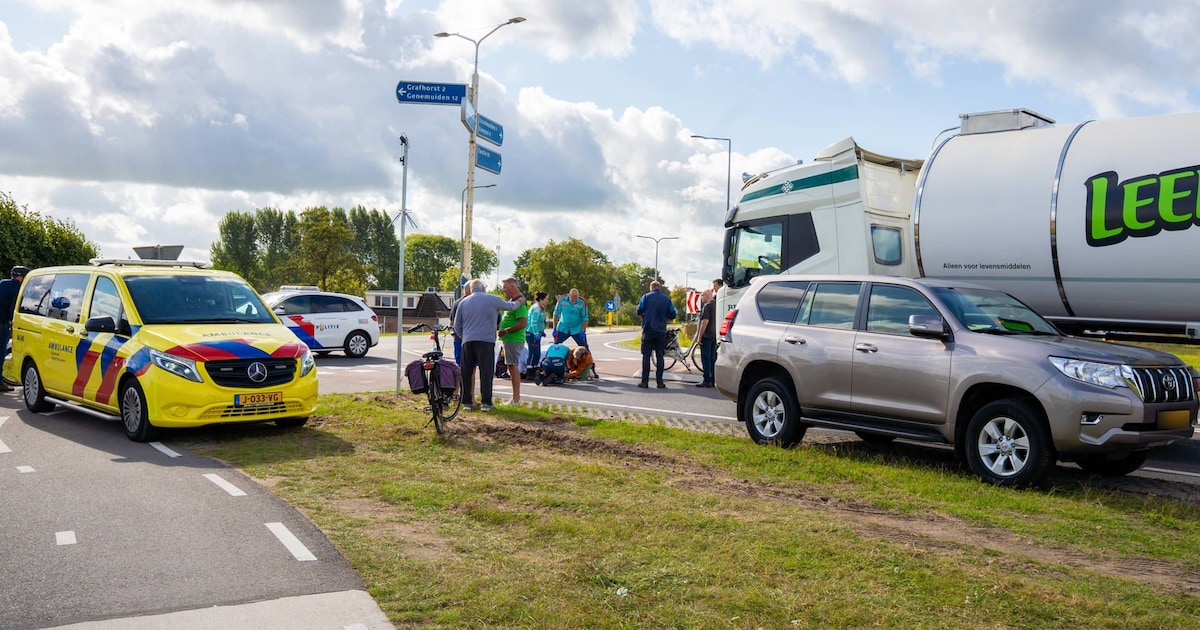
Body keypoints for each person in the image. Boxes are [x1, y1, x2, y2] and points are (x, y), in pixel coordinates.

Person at [452, 279, 524, 412]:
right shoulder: (492, 299)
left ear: (472, 289)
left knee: (466, 372)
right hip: (486, 341)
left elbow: (456, 325)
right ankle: (486, 403)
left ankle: (467, 402)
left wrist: (465, 336)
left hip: (468, 341)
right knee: (486, 372)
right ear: (483, 288)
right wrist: (519, 302)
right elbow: (510, 307)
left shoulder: (463, 302)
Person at [636, 280, 676, 389]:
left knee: (646, 356)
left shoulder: (645, 297)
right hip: (661, 331)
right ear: (659, 287)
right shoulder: (667, 299)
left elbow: (639, 310)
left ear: (651, 287)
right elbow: (672, 314)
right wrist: (665, 318)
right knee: (660, 356)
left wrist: (644, 315)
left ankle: (644, 382)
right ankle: (660, 382)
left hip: (648, 330)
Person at [496, 277, 528, 405]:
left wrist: (507, 330)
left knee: (513, 367)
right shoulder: (513, 301)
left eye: (505, 287)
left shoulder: (520, 302)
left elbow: (523, 323)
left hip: (514, 339)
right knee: (511, 366)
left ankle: (516, 399)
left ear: (512, 287)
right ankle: (515, 398)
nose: (503, 290)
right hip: (509, 339)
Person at [0, 265, 28, 391]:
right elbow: (13, 309)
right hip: (2, 323)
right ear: (20, 277)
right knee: (1, 353)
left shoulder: (2, 283)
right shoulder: (17, 288)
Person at [695, 289, 717, 388]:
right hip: (714, 335)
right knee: (713, 358)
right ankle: (713, 379)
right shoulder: (717, 304)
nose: (701, 297)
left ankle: (706, 379)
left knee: (706, 358)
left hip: (707, 335)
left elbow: (705, 321)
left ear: (707, 296)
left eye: (702, 295)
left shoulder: (707, 306)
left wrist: (699, 336)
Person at [524, 291, 548, 379]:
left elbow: (540, 322)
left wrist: (541, 331)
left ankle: (534, 369)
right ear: (541, 300)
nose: (547, 301)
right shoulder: (537, 308)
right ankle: (529, 371)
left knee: (537, 353)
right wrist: (536, 333)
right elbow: (533, 322)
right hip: (531, 333)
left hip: (536, 333)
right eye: (546, 299)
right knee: (533, 352)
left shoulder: (540, 308)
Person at [449, 283, 472, 365]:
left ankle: (460, 378)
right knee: (472, 365)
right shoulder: (474, 303)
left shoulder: (456, 303)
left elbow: (451, 322)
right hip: (471, 338)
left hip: (458, 338)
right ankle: (470, 378)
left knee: (460, 364)